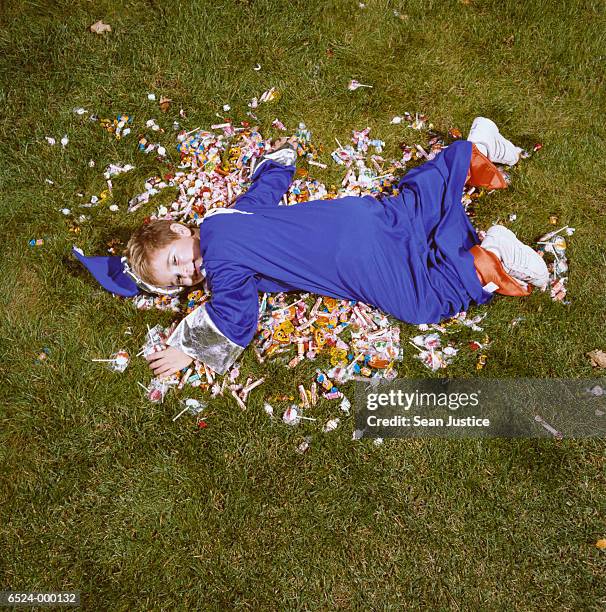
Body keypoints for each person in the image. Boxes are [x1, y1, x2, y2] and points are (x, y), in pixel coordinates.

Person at [75, 117, 548, 377]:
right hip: (356, 214)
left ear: (180, 231)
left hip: (354, 261)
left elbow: (235, 318)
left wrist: (189, 348)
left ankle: (492, 259)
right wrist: (277, 162)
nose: (189, 272)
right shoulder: (223, 218)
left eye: (178, 260)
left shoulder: (224, 270)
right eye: (179, 279)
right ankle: (471, 151)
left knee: (422, 301)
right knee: (412, 206)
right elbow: (264, 190)